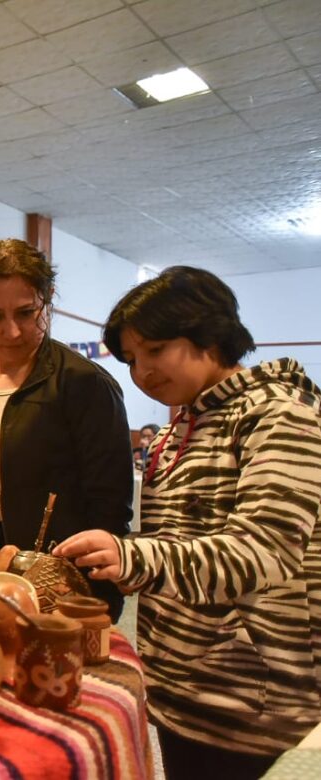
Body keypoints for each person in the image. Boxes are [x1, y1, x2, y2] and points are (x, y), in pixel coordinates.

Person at [54, 266, 321, 779]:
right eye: (132, 359)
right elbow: (176, 548)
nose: (143, 372)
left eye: (155, 349)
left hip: (253, 701)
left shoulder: (279, 416)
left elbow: (264, 551)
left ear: (209, 333)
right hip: (180, 689)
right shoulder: (173, 431)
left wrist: (131, 554)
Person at [0, 238, 133, 619]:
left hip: (46, 568)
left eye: (26, 313)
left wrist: (96, 597)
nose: (13, 331)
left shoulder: (83, 382)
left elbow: (110, 508)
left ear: (48, 298)